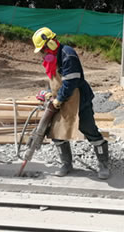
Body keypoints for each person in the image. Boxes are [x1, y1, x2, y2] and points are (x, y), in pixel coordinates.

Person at [32, 27, 110, 180]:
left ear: (52, 43)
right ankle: (66, 164)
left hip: (79, 100)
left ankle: (103, 164)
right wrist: (49, 93)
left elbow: (70, 83)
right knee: (57, 133)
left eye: (44, 49)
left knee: (89, 130)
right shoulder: (52, 58)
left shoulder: (68, 55)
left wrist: (58, 100)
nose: (43, 53)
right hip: (61, 100)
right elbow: (54, 80)